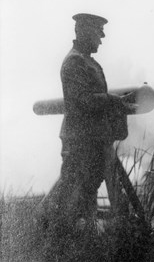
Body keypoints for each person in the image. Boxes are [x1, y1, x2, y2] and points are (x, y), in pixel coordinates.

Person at [43, 13, 133, 230]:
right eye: (97, 34)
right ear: (83, 32)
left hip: (90, 138)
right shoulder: (75, 61)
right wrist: (114, 101)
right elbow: (82, 100)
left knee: (85, 192)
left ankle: (83, 239)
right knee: (73, 194)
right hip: (81, 140)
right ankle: (54, 237)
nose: (101, 39)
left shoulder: (83, 60)